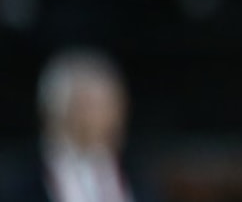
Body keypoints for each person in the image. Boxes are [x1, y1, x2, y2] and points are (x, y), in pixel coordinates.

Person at [1, 47, 163, 202]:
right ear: (58, 111)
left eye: (114, 104)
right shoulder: (18, 180)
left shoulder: (138, 175)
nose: (113, 116)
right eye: (93, 105)